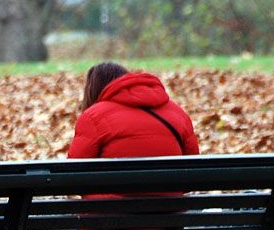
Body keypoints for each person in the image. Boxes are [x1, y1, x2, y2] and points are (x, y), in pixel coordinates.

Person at [66, 62, 199, 160]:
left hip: (110, 198)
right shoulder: (178, 113)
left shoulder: (93, 117)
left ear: (91, 91)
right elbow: (193, 169)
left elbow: (72, 174)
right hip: (171, 198)